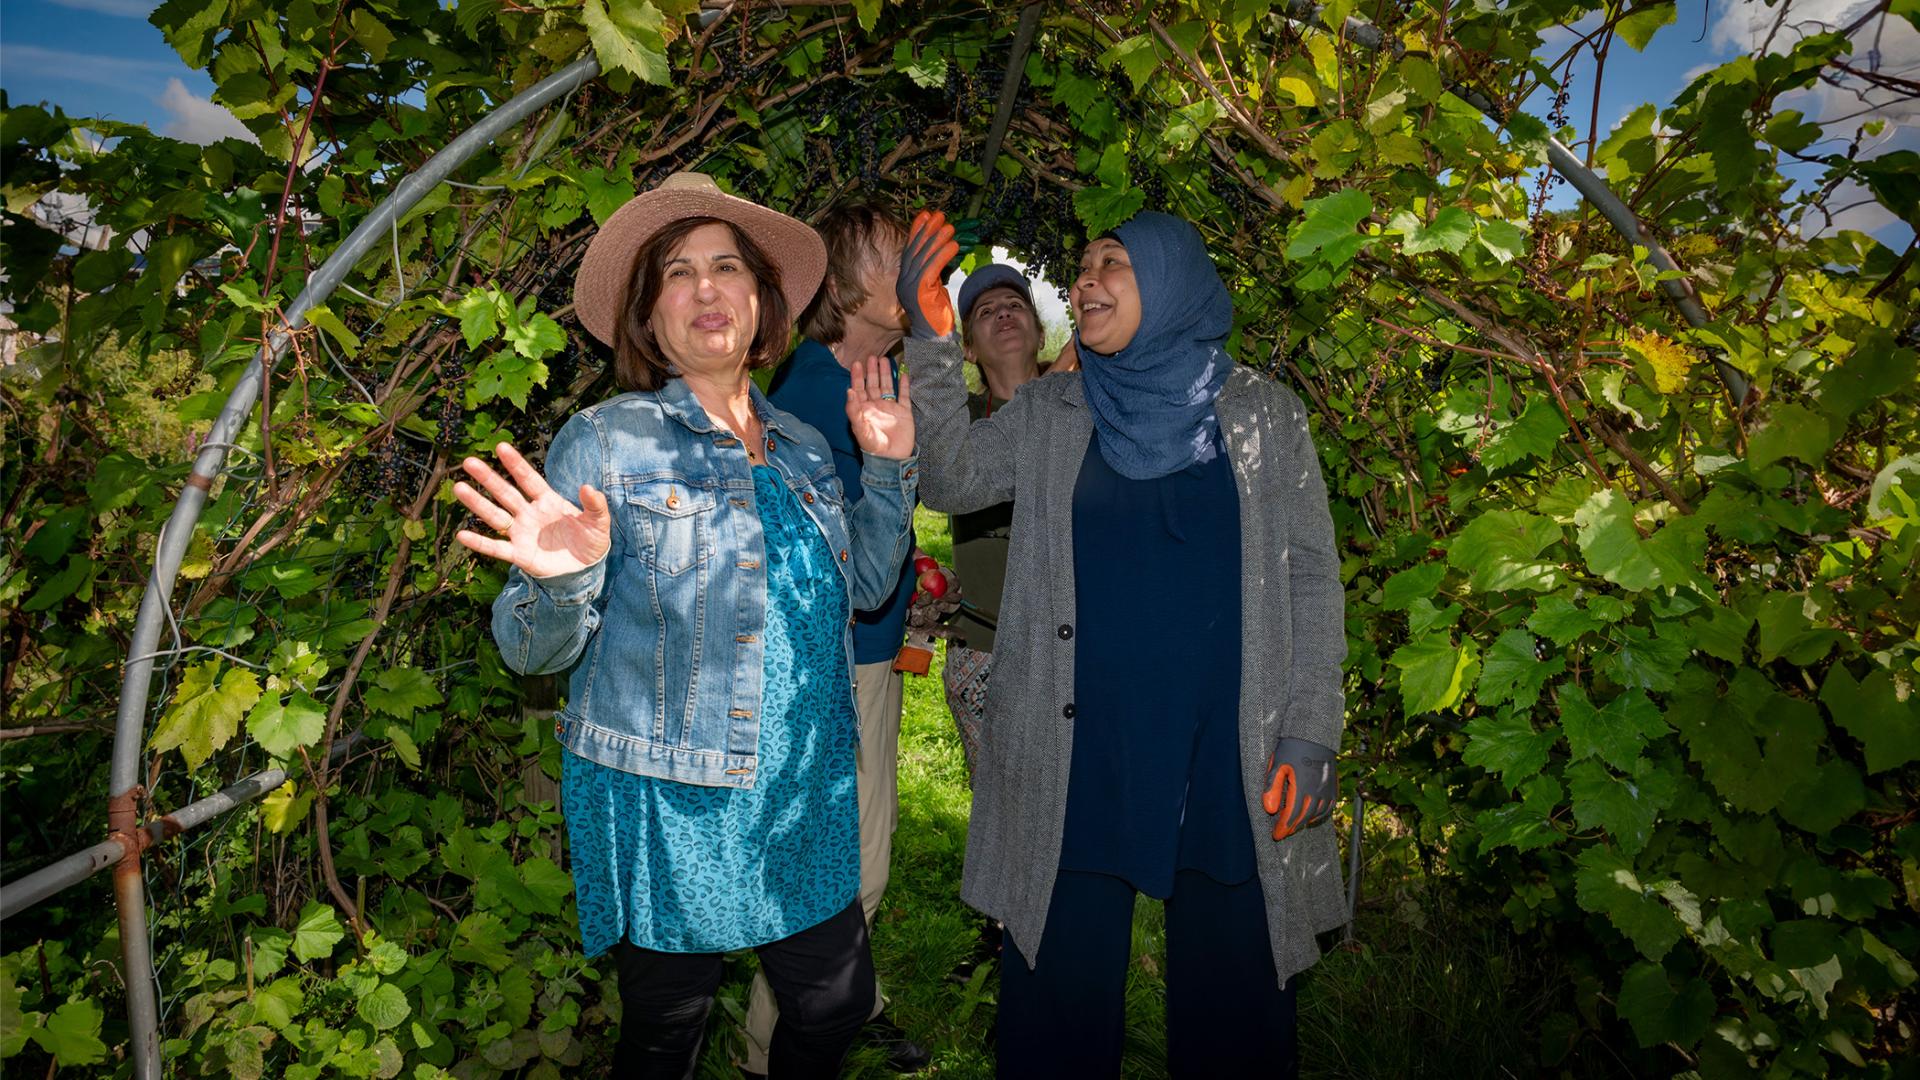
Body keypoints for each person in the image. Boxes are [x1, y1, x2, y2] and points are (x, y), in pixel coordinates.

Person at [453, 171, 918, 1079]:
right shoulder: (606, 441)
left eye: (727, 268)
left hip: (804, 789)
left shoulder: (806, 445)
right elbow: (528, 649)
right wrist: (562, 580)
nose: (707, 289)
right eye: (678, 272)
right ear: (650, 317)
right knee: (670, 1031)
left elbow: (863, 587)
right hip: (672, 794)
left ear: (763, 301)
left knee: (835, 1003)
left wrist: (892, 469)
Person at [898, 208, 1348, 1078]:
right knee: (1056, 987)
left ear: (1173, 279)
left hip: (1228, 745)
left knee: (1236, 997)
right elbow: (950, 479)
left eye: (1115, 264)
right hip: (1074, 742)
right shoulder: (1053, 409)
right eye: (1083, 265)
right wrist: (930, 336)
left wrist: (1310, 726)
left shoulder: (1263, 416)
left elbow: (1310, 578)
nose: (1086, 280)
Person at [744, 204, 930, 1076]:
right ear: (853, 282)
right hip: (836, 668)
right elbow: (823, 564)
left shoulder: (863, 377)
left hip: (864, 655)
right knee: (848, 869)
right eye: (904, 258)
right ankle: (780, 1045)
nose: (923, 270)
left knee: (842, 858)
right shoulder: (817, 397)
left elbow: (873, 533)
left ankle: (851, 1007)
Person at [941, 263, 1046, 777]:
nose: (1003, 314)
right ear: (968, 348)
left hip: (1069, 652)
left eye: (1015, 305)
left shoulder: (1087, 411)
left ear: (1039, 332)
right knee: (999, 816)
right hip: (982, 651)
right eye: (985, 312)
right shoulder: (955, 420)